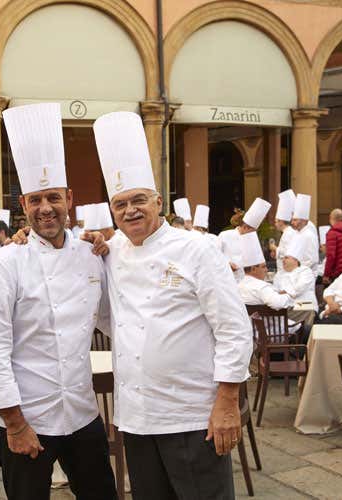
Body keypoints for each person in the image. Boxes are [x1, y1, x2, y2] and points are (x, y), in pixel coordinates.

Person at [94, 111, 252, 499]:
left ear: (159, 201)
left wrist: (227, 404)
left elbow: (233, 328)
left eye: (139, 200)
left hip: (192, 415)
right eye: (120, 204)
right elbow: (106, 316)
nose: (130, 210)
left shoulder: (197, 249)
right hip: (135, 417)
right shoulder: (110, 251)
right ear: (112, 212)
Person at [0, 103, 116, 500]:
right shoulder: (5, 264)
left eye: (53, 197)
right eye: (35, 200)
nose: (45, 208)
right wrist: (15, 423)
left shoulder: (92, 255)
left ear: (69, 198)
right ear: (23, 206)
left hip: (81, 411)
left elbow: (112, 320)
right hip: (25, 418)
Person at [218, 197, 271, 282]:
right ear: (245, 227)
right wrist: (227, 265)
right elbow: (215, 256)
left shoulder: (253, 238)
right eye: (252, 231)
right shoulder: (225, 235)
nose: (254, 234)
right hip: (228, 280)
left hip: (245, 282)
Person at [238, 231, 293, 311]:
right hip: (271, 323)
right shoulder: (261, 287)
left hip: (249, 323)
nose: (266, 270)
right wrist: (288, 295)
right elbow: (278, 304)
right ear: (253, 269)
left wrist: (276, 293)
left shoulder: (238, 285)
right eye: (263, 267)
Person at [291, 194, 320, 277]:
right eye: (292, 220)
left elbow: (312, 260)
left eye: (295, 220)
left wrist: (296, 269)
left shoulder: (309, 235)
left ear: (304, 221)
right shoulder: (297, 234)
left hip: (306, 275)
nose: (292, 223)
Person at [270, 189, 297, 273]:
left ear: (281, 221)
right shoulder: (286, 232)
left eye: (276, 221)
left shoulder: (289, 233)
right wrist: (276, 253)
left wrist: (275, 248)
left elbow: (289, 252)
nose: (275, 224)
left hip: (287, 271)